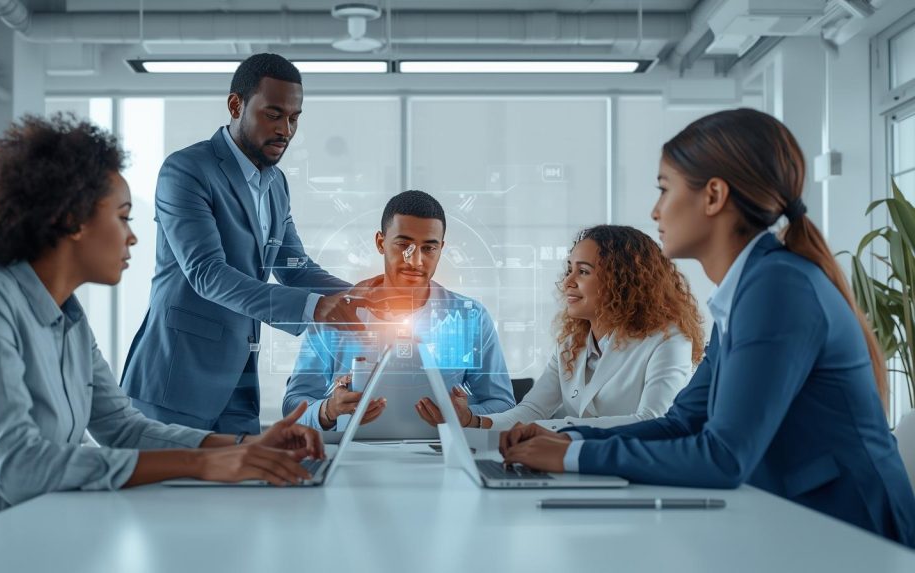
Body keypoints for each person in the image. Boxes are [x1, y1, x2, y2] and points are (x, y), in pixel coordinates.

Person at [0, 115, 325, 553]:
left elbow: (122, 427)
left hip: (13, 543)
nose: (133, 238)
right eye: (122, 217)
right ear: (73, 220)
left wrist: (243, 445)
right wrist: (207, 463)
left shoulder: (69, 318)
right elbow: (19, 466)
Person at [499, 108, 915, 547]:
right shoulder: (749, 289)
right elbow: (683, 422)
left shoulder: (778, 287)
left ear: (713, 196)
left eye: (664, 189)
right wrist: (567, 437)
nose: (655, 210)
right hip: (801, 521)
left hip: (853, 532)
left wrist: (574, 455)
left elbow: (723, 455)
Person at [121, 53, 379, 435]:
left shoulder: (276, 184)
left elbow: (295, 268)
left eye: (294, 118)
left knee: (248, 491)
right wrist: (315, 308)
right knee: (166, 496)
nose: (286, 130)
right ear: (235, 105)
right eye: (273, 115)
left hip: (239, 386)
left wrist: (365, 296)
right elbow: (207, 274)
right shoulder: (187, 170)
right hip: (175, 385)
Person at [282, 190, 515, 430]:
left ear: (441, 249)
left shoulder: (471, 317)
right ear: (381, 243)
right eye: (404, 245)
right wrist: (328, 411)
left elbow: (503, 404)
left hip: (441, 456)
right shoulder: (334, 313)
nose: (415, 261)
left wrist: (464, 417)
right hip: (354, 457)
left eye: (429, 249)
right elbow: (292, 407)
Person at [479, 225, 704, 431]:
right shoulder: (570, 342)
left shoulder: (668, 340)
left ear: (621, 281)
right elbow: (531, 411)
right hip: (586, 464)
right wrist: (473, 421)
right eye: (569, 270)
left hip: (642, 470)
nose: (568, 281)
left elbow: (653, 420)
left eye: (583, 271)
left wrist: (557, 430)